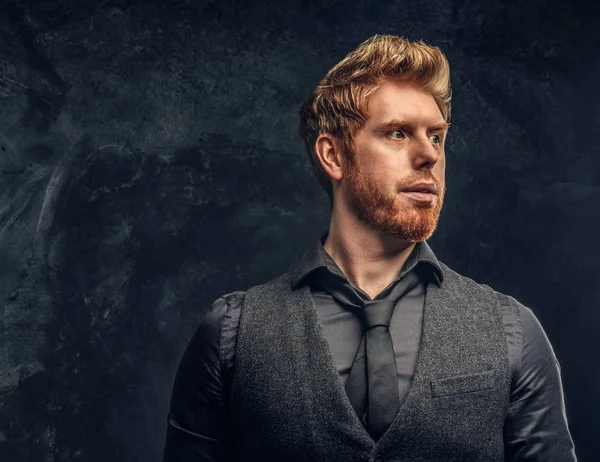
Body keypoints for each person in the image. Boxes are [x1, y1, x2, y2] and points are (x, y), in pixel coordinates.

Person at [162, 35, 577, 461]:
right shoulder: (231, 335)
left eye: (436, 136)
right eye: (398, 133)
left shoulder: (512, 331)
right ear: (334, 155)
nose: (428, 155)